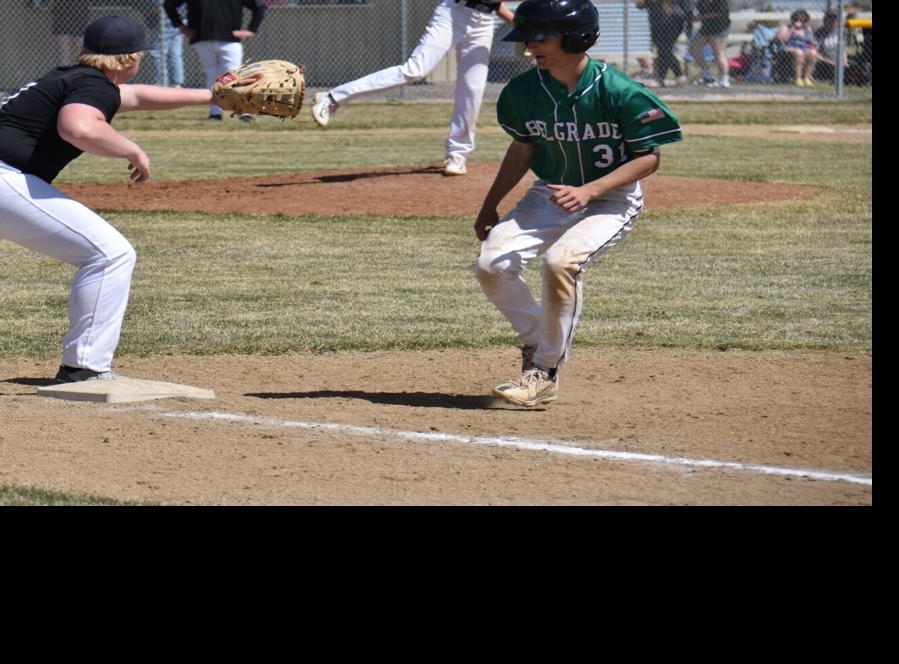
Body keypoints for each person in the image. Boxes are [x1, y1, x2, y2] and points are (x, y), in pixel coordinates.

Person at [0, 16, 220, 393]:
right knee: (110, 255)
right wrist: (132, 149)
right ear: (132, 59)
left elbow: (138, 97)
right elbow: (77, 128)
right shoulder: (94, 87)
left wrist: (212, 96)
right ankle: (85, 367)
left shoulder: (70, 77)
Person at [472, 0, 683, 408]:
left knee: (561, 262)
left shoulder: (619, 90)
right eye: (528, 37)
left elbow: (649, 157)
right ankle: (539, 340)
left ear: (576, 38)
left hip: (611, 200)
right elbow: (523, 148)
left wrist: (591, 190)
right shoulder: (522, 91)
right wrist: (489, 204)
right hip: (551, 192)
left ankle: (545, 373)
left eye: (542, 37)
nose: (531, 46)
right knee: (491, 266)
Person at [310, 0, 518, 177]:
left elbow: (496, 4)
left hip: (485, 21)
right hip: (455, 12)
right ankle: (333, 97)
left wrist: (520, 27)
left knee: (473, 89)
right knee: (415, 70)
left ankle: (458, 154)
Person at [166, 0, 264, 120]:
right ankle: (215, 113)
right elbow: (169, 5)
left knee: (234, 75)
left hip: (229, 39)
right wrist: (180, 26)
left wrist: (252, 29)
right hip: (202, 38)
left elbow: (259, 6)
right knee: (212, 75)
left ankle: (242, 110)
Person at [637, 0, 689, 88]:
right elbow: (641, 5)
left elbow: (686, 8)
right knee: (664, 50)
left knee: (664, 50)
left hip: (671, 19)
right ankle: (679, 76)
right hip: (657, 21)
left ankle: (661, 79)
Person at [691, 0, 730, 87]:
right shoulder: (700, 2)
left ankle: (724, 79)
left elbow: (721, 13)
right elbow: (697, 13)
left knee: (718, 53)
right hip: (706, 29)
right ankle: (707, 76)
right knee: (694, 49)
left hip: (720, 29)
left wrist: (702, 17)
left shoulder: (720, 2)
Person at [148, 0, 187, 87]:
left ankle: (162, 82)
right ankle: (177, 83)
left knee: (158, 53)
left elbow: (156, 4)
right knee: (175, 54)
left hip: (165, 20)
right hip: (180, 20)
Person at [775, 9, 817, 87]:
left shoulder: (808, 29)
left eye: (802, 20)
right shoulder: (786, 27)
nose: (799, 22)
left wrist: (812, 45)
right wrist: (792, 29)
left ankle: (806, 78)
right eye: (796, 19)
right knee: (799, 52)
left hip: (804, 48)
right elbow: (782, 40)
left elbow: (811, 42)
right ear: (793, 20)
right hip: (788, 47)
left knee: (813, 53)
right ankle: (798, 78)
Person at [52, 0, 92, 65]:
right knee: (63, 36)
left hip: (78, 7)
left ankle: (80, 65)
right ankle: (66, 64)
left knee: (80, 40)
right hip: (62, 7)